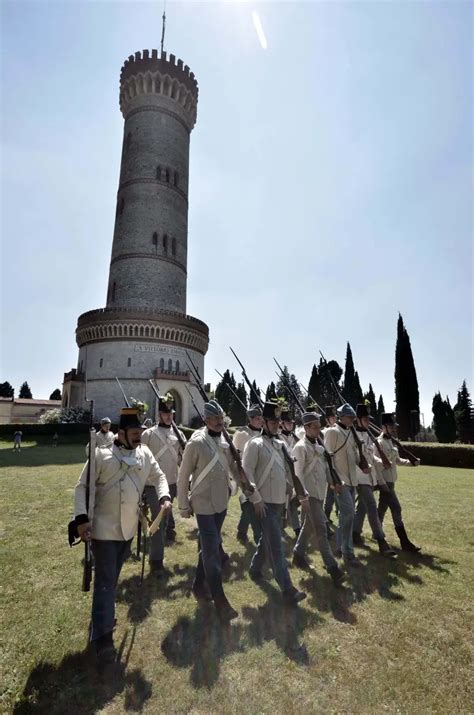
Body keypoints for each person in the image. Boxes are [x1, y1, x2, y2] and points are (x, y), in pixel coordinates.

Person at [71, 407, 171, 662]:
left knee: (110, 581)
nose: (139, 437)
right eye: (135, 432)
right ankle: (103, 640)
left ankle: (101, 619)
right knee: (105, 583)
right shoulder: (101, 455)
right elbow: (82, 487)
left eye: (140, 432)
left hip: (128, 530)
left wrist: (164, 495)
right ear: (122, 432)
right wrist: (81, 520)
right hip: (103, 531)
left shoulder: (144, 453)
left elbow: (159, 476)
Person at [178, 399, 251, 621]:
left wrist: (246, 484)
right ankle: (220, 600)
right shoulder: (196, 443)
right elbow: (183, 476)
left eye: (221, 418)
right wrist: (183, 504)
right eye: (215, 418)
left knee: (209, 547)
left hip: (221, 501)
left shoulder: (226, 442)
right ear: (206, 420)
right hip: (202, 502)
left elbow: (233, 468)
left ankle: (199, 585)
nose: (220, 422)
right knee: (211, 550)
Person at [242, 401, 307, 606]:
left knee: (268, 541)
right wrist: (256, 499)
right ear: (264, 422)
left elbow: (286, 470)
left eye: (278, 421)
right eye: (271, 421)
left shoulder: (280, 445)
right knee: (277, 546)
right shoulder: (254, 444)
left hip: (279, 502)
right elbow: (247, 474)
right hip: (264, 503)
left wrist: (290, 486)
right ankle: (288, 590)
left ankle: (254, 569)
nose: (275, 425)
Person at [291, 411, 346, 585]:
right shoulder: (300, 448)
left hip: (320, 493)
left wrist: (334, 483)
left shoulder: (321, 449)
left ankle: (298, 555)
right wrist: (303, 497)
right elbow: (297, 475)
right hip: (309, 495)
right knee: (321, 530)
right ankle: (333, 568)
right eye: (314, 427)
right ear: (306, 428)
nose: (318, 430)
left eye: (318, 426)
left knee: (308, 527)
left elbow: (325, 469)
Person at [142, 392, 187, 573]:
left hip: (172, 482)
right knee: (159, 522)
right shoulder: (148, 434)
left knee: (165, 521)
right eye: (166, 414)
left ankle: (157, 548)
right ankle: (156, 560)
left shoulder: (179, 434)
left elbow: (181, 460)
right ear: (159, 415)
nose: (169, 417)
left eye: (171, 414)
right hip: (153, 485)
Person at [324, 403, 367, 568]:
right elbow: (326, 458)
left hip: (352, 480)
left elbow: (354, 455)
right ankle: (348, 553)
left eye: (352, 417)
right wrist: (333, 481)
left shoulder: (351, 432)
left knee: (345, 516)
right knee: (349, 514)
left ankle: (340, 548)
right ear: (341, 417)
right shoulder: (332, 432)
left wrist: (362, 464)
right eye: (349, 417)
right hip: (339, 481)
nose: (352, 419)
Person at [352, 404, 397, 557]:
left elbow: (371, 456)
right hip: (359, 476)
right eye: (364, 419)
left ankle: (355, 533)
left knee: (363, 507)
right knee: (371, 506)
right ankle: (381, 541)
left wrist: (380, 461)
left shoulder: (368, 435)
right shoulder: (352, 435)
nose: (367, 421)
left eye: (367, 419)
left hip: (369, 476)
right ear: (357, 419)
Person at [377, 413, 421, 552]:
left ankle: (376, 532)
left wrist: (411, 463)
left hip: (391, 482)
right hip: (385, 483)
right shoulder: (379, 443)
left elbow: (397, 460)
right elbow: (377, 465)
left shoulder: (391, 441)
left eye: (393, 426)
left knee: (381, 510)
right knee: (396, 508)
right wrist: (382, 483)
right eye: (390, 426)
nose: (393, 429)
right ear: (383, 427)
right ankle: (404, 542)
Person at [233, 405, 263, 545]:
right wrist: (242, 479)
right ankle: (259, 538)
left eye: (261, 418)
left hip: (261, 475)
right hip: (246, 474)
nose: (260, 420)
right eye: (257, 418)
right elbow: (237, 458)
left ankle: (241, 529)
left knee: (250, 504)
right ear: (250, 419)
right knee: (251, 504)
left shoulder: (263, 433)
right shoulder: (242, 434)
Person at [279, 408, 301, 539]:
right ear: (281, 424)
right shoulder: (277, 438)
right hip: (282, 474)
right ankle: (282, 529)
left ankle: (297, 529)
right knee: (282, 504)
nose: (291, 425)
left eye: (292, 423)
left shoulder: (295, 438)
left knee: (292, 504)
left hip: (295, 474)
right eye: (288, 423)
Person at [322, 406, 337, 525]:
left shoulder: (338, 431)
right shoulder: (324, 432)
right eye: (332, 417)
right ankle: (325, 516)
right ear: (327, 419)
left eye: (335, 416)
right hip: (328, 468)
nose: (335, 419)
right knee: (330, 496)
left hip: (339, 467)